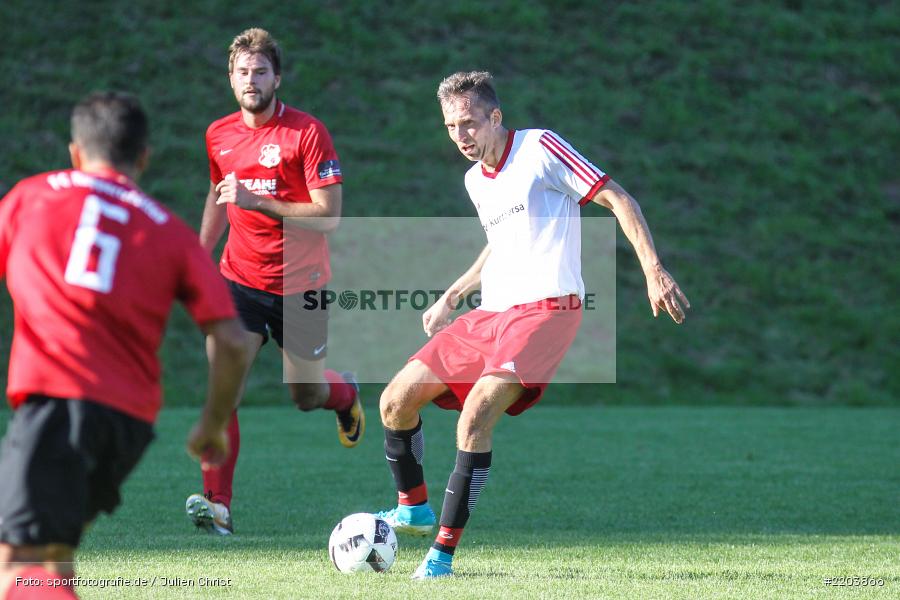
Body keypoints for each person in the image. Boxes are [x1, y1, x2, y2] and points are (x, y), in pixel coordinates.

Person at [373, 71, 691, 579]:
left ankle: (442, 556)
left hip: (546, 309)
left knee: (475, 415)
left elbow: (618, 199)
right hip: (491, 313)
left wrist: (653, 270)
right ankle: (412, 507)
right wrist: (453, 295)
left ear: (495, 117)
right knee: (394, 400)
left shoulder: (541, 147)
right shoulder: (475, 179)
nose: (461, 136)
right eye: (451, 126)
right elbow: (501, 242)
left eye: (470, 123)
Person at [0, 92, 248, 599]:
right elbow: (232, 339)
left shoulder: (31, 196)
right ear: (143, 158)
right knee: (51, 559)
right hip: (128, 424)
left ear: (75, 152)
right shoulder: (169, 231)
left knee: (16, 566)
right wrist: (213, 423)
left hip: (58, 404)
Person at [185, 28, 364, 535]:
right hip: (237, 281)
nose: (250, 80)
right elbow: (219, 194)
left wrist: (258, 200)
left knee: (305, 395)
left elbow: (329, 217)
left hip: (301, 287)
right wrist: (199, 256)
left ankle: (345, 396)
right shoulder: (218, 134)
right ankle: (218, 503)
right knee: (224, 391)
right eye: (242, 72)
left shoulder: (307, 133)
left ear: (277, 77)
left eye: (260, 72)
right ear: (230, 78)